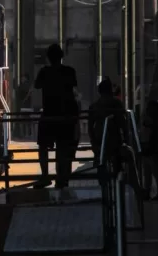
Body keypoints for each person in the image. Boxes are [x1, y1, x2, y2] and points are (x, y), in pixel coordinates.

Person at [33, 43, 79, 189]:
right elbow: (73, 86)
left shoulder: (44, 72)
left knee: (43, 146)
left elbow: (37, 85)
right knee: (63, 147)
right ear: (62, 56)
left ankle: (45, 175)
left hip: (49, 113)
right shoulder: (69, 71)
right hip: (65, 114)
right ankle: (62, 178)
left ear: (48, 57)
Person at [88, 77, 127, 171]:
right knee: (117, 163)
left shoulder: (94, 106)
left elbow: (90, 126)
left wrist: (93, 142)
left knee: (101, 162)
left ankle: (104, 181)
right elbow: (123, 122)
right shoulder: (116, 103)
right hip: (114, 138)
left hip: (99, 138)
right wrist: (125, 139)